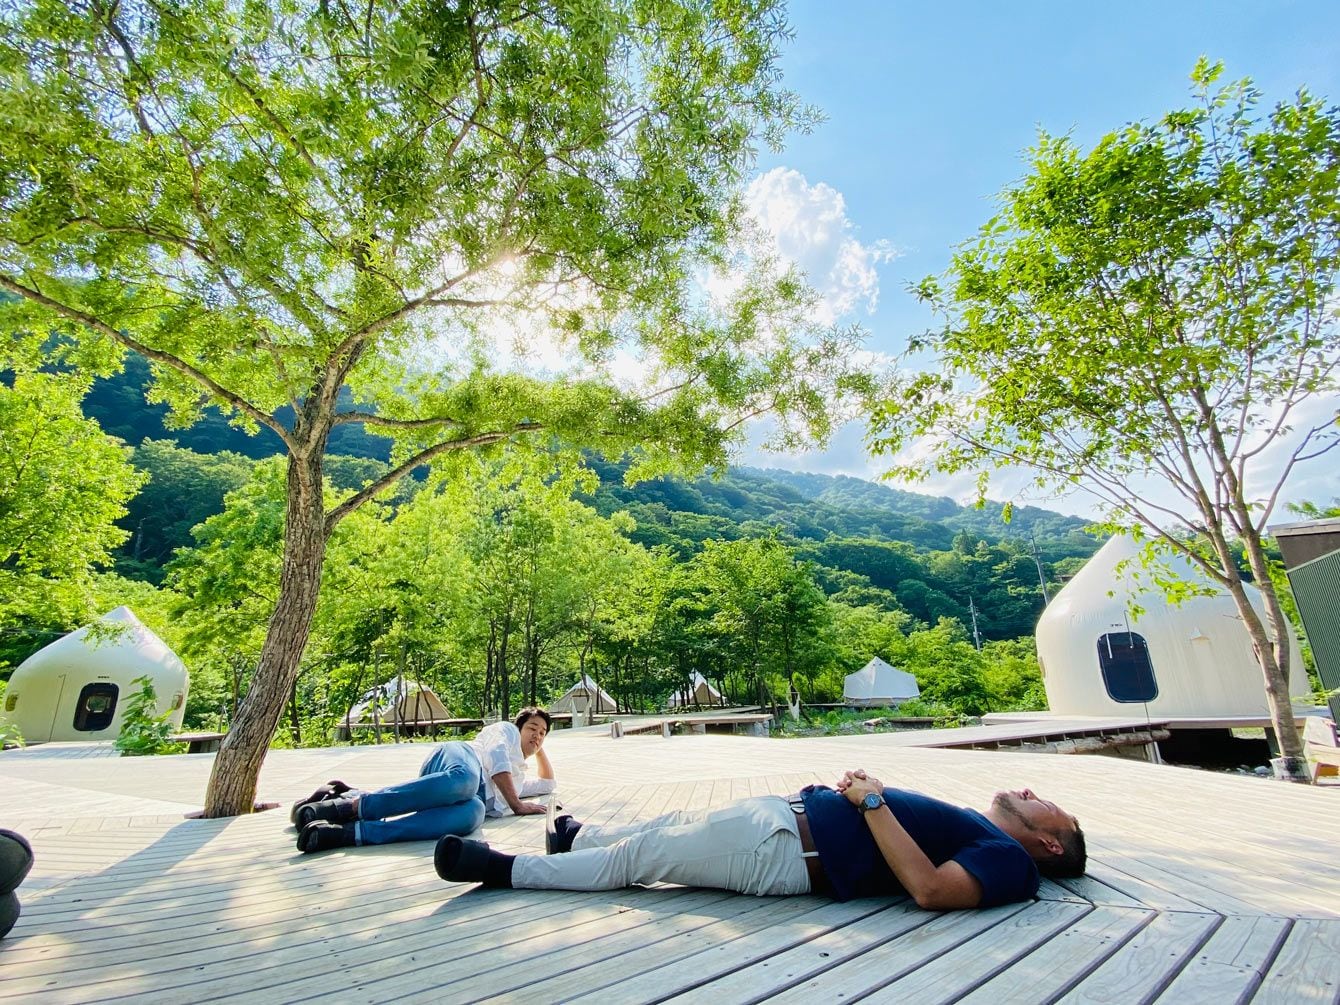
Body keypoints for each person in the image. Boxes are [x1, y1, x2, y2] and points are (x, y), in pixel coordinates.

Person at [434, 768, 1085, 910]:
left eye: (1047, 805)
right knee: (660, 828)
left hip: (785, 850)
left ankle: (505, 867)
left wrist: (872, 799)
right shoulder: (985, 834)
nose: (1032, 791)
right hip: (783, 820)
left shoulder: (1012, 863)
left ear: (1052, 844)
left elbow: (931, 889)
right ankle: (576, 839)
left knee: (638, 858)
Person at [295, 707, 555, 853]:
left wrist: (537, 747)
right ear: (518, 727)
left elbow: (548, 784)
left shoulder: (517, 780)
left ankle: (353, 833)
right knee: (465, 780)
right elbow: (497, 758)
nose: (537, 735)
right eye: (532, 728)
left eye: (543, 733)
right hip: (460, 760)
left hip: (464, 796)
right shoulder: (506, 732)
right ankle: (350, 807)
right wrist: (516, 805)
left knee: (474, 814)